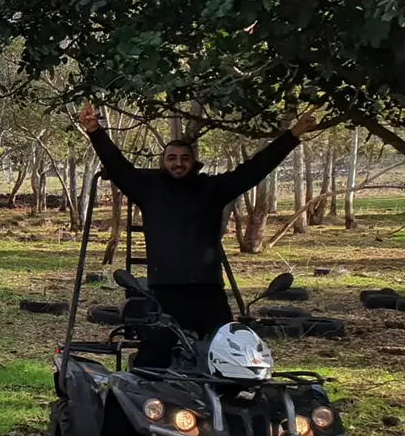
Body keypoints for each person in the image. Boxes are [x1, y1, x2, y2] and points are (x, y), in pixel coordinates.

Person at [78, 102, 315, 368]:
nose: (178, 163)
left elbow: (255, 168)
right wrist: (95, 130)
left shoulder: (212, 189)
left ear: (193, 163)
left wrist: (292, 134)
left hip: (209, 292)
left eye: (184, 158)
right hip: (165, 293)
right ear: (163, 162)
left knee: (232, 356)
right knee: (153, 361)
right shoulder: (148, 190)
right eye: (172, 158)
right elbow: (116, 163)